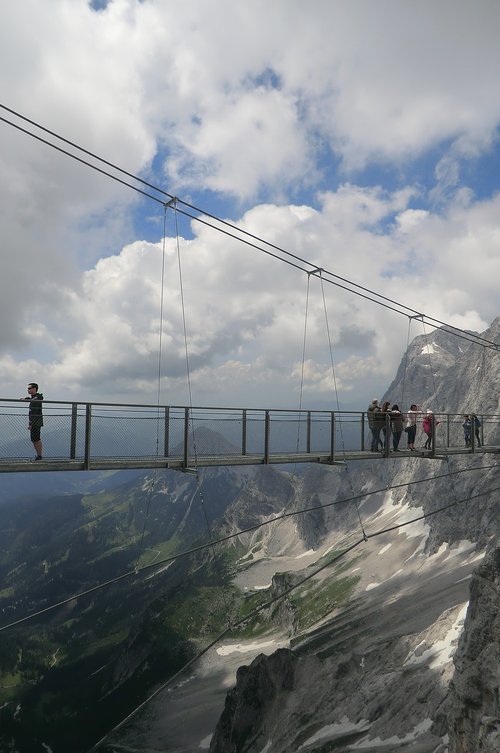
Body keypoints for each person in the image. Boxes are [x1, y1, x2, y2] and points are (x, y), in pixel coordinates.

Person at [20, 382, 44, 460]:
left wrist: (31, 424)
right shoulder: (35, 398)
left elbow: (34, 412)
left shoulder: (37, 398)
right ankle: (39, 456)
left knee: (36, 439)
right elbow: (32, 399)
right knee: (34, 439)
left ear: (35, 389)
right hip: (36, 422)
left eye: (30, 388)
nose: (28, 390)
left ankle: (39, 456)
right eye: (28, 388)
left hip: (36, 422)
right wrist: (26, 399)